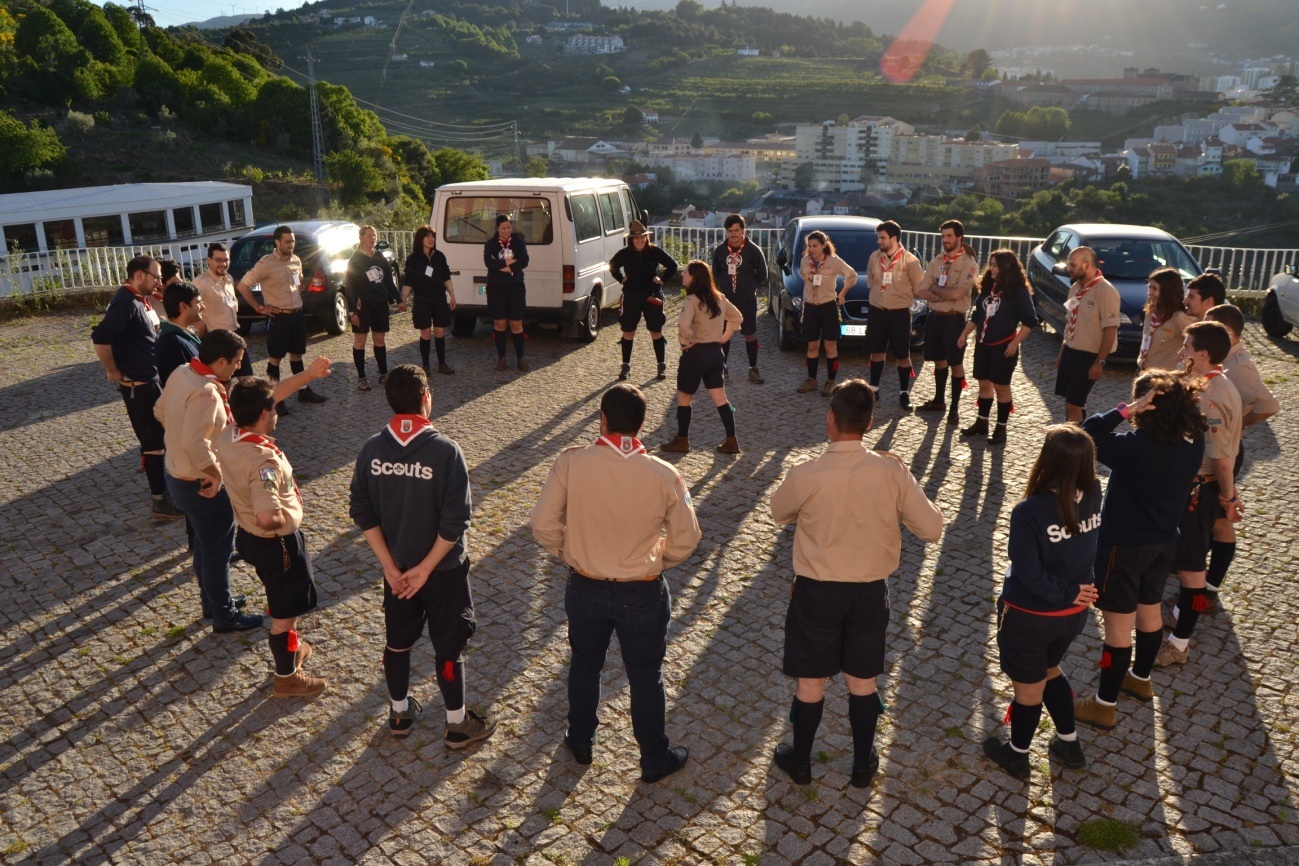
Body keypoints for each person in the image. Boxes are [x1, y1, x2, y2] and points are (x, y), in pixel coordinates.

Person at [770, 380, 944, 787]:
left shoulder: (806, 473)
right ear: (869, 423)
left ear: (830, 419)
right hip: (869, 593)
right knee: (863, 682)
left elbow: (779, 512)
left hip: (815, 592)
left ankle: (801, 762)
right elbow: (933, 528)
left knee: (811, 682)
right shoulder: (892, 471)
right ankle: (862, 765)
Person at [530, 384, 703, 782]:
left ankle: (580, 740)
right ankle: (653, 757)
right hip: (642, 590)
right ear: (640, 426)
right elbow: (688, 539)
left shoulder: (571, 463)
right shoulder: (665, 474)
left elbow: (542, 525)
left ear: (602, 419)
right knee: (645, 675)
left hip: (585, 585)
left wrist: (568, 552)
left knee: (584, 666)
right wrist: (659, 560)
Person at [349, 365, 495, 746]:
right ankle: (457, 724)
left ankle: (399, 713)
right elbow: (455, 521)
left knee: (397, 642)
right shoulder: (446, 451)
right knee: (449, 646)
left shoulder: (371, 450)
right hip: (444, 571)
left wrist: (389, 565)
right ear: (426, 398)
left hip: (397, 574)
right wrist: (427, 568)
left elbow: (361, 511)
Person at [156, 329, 331, 630]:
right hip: (198, 482)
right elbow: (194, 443)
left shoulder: (183, 372)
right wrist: (213, 473)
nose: (239, 367)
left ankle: (213, 600)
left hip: (175, 472)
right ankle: (223, 615)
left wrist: (307, 376)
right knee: (217, 551)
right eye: (236, 361)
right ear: (221, 361)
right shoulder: (208, 394)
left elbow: (160, 411)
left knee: (203, 543)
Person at [1071, 372, 1206, 730]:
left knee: (1118, 628)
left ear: (1146, 406)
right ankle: (1141, 679)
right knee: (1149, 614)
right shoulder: (1194, 442)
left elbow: (1086, 432)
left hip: (1123, 546)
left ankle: (1104, 704)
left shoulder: (1134, 448)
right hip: (1164, 543)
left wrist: (1123, 410)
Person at [982, 425, 1102, 779]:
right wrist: (1072, 594)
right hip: (1073, 615)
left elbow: (1029, 574)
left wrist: (1065, 592)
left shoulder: (1029, 510)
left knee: (1029, 689)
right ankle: (1069, 743)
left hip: (1031, 617)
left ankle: (1017, 754)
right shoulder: (1094, 491)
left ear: (1046, 461)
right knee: (1051, 671)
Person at [216, 377, 327, 698]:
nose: (277, 410)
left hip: (249, 537)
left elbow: (264, 398)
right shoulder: (263, 462)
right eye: (274, 407)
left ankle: (292, 649)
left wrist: (307, 375)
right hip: (276, 543)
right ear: (265, 414)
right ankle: (287, 676)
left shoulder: (228, 436)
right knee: (284, 613)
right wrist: (287, 517)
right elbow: (267, 514)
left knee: (282, 601)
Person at [1157, 321, 1244, 667]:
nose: (1182, 352)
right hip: (1190, 487)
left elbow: (1222, 458)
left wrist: (1229, 497)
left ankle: (1179, 644)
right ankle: (1177, 619)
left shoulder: (1217, 394)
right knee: (1183, 564)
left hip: (1201, 490)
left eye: (1187, 347)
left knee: (1193, 573)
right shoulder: (1206, 385)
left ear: (1204, 354)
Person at [91, 255, 183, 520]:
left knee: (162, 440)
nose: (158, 282)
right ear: (140, 275)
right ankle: (161, 502)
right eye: (155, 277)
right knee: (153, 444)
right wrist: (112, 370)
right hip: (140, 387)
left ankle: (167, 493)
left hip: (152, 382)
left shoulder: (142, 301)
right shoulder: (125, 302)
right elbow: (101, 337)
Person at [1200, 304, 1280, 611]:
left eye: (1211, 327)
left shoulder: (1240, 366)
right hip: (1215, 448)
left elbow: (1270, 405)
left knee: (1222, 519)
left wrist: (1240, 423)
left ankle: (1209, 586)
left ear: (1228, 334)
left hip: (1226, 451)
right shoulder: (1226, 359)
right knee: (1211, 516)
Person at [235, 225, 329, 415]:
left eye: (293, 241)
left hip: (296, 314)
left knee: (297, 354)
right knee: (275, 358)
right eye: (287, 241)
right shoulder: (266, 263)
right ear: (277, 242)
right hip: (279, 317)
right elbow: (243, 286)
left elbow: (299, 283)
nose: (291, 245)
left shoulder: (296, 260)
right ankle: (275, 398)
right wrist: (260, 308)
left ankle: (303, 391)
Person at [659, 261, 743, 455]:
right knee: (722, 400)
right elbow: (737, 317)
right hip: (715, 353)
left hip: (695, 354)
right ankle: (732, 440)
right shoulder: (720, 298)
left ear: (694, 277)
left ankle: (682, 440)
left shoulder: (691, 300)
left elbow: (682, 325)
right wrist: (724, 336)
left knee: (684, 399)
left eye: (686, 272)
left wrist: (686, 342)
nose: (682, 275)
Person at [955, 250, 1037, 445]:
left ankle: (1001, 428)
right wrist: (964, 334)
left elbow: (1030, 321)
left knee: (1001, 386)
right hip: (983, 344)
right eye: (990, 264)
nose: (990, 268)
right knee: (983, 384)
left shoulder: (1019, 292)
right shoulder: (987, 287)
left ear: (1006, 268)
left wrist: (1014, 343)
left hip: (1004, 346)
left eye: (995, 265)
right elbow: (977, 316)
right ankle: (982, 423)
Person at [915, 219, 979, 421]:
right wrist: (942, 292)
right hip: (935, 317)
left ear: (959, 237)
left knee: (956, 363)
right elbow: (921, 290)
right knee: (938, 360)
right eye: (943, 236)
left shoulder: (969, 263)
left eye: (949, 236)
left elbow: (958, 294)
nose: (945, 240)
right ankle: (939, 400)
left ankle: (954, 408)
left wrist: (935, 289)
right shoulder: (936, 261)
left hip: (954, 320)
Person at [1053, 247, 1120, 423]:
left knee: (1072, 404)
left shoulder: (1106, 291)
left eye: (1073, 265)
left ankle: (1072, 442)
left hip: (1089, 356)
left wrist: (1100, 362)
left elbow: (1110, 329)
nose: (1069, 268)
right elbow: (1070, 323)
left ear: (1086, 264)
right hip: (1070, 351)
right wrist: (1062, 352)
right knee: (1074, 402)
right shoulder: (1075, 288)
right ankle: (1082, 436)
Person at [865, 220, 924, 408]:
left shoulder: (911, 261)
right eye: (878, 238)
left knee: (902, 355)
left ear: (894, 238)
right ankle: (874, 389)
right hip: (877, 312)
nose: (878, 242)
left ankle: (904, 393)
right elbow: (870, 281)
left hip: (899, 314)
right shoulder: (874, 257)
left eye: (882, 238)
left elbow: (918, 288)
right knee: (876, 352)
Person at [610, 220, 678, 381]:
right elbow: (612, 266)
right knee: (628, 331)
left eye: (642, 237)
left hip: (652, 296)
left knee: (656, 331)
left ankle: (661, 365)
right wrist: (621, 279)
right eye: (636, 238)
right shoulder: (625, 253)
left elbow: (673, 265)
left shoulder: (654, 251)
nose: (639, 240)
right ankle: (625, 366)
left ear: (647, 238)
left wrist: (662, 280)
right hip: (631, 296)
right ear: (631, 240)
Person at [796, 230, 857, 396]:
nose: (812, 249)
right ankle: (811, 380)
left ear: (824, 245)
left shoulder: (833, 261)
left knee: (830, 345)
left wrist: (842, 294)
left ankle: (831, 381)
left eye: (815, 246)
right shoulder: (804, 261)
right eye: (809, 246)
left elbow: (852, 275)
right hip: (810, 307)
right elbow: (806, 278)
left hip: (828, 306)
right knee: (812, 345)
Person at [710, 214, 768, 384]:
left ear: (743, 230)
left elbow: (762, 276)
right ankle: (723, 367)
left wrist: (748, 286)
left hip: (747, 298)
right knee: (724, 334)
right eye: (730, 231)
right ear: (726, 232)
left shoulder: (753, 250)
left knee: (750, 334)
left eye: (737, 230)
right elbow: (716, 273)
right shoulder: (720, 251)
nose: (733, 234)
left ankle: (753, 368)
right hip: (726, 299)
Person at [345, 225, 404, 391]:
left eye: (375, 235)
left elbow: (388, 282)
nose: (373, 238)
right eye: (370, 235)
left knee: (379, 340)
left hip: (380, 304)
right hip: (363, 306)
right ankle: (362, 378)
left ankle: (384, 373)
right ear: (362, 238)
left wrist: (399, 300)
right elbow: (350, 288)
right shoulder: (355, 260)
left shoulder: (379, 256)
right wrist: (352, 311)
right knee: (360, 342)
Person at [193, 242, 254, 378]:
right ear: (209, 261)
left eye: (225, 260)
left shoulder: (229, 279)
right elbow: (191, 309)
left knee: (248, 381)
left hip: (235, 336)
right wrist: (201, 328)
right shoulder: (200, 283)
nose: (223, 264)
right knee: (223, 386)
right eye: (218, 260)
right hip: (216, 342)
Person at [401, 224, 456, 375]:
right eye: (427, 236)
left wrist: (452, 295)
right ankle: (425, 365)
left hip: (438, 298)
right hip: (422, 300)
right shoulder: (413, 259)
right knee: (425, 333)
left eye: (433, 236)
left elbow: (446, 277)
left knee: (440, 331)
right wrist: (403, 300)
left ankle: (442, 364)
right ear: (420, 239)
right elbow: (408, 282)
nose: (431, 239)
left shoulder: (439, 256)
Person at [484, 214, 529, 372]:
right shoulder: (490, 244)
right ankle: (501, 358)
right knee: (500, 323)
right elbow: (489, 263)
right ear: (497, 229)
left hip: (515, 287)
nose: (506, 231)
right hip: (496, 288)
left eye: (509, 227)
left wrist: (503, 267)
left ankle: (520, 358)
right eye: (503, 228)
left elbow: (524, 261)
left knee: (516, 324)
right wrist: (510, 262)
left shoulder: (518, 242)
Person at [1137, 268, 1194, 372]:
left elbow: (1195, 344)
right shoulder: (1151, 312)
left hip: (1163, 377)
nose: (1150, 293)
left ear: (1168, 291)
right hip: (1143, 371)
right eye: (1149, 288)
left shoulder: (1179, 317)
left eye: (1154, 289)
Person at [156, 282, 203, 386]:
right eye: (198, 302)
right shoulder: (174, 343)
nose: (203, 307)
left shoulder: (182, 335)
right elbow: (181, 387)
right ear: (184, 306)